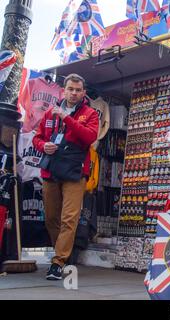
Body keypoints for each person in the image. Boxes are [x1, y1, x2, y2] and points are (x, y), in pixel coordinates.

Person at [33, 74, 99, 280]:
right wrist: (44, 146)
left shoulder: (90, 113)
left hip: (75, 171)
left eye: (78, 90)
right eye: (70, 89)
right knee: (51, 218)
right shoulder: (50, 113)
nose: (74, 93)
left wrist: (66, 118)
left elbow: (89, 137)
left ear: (83, 93)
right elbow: (37, 137)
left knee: (69, 218)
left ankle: (58, 261)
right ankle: (62, 253)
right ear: (64, 90)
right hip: (51, 170)